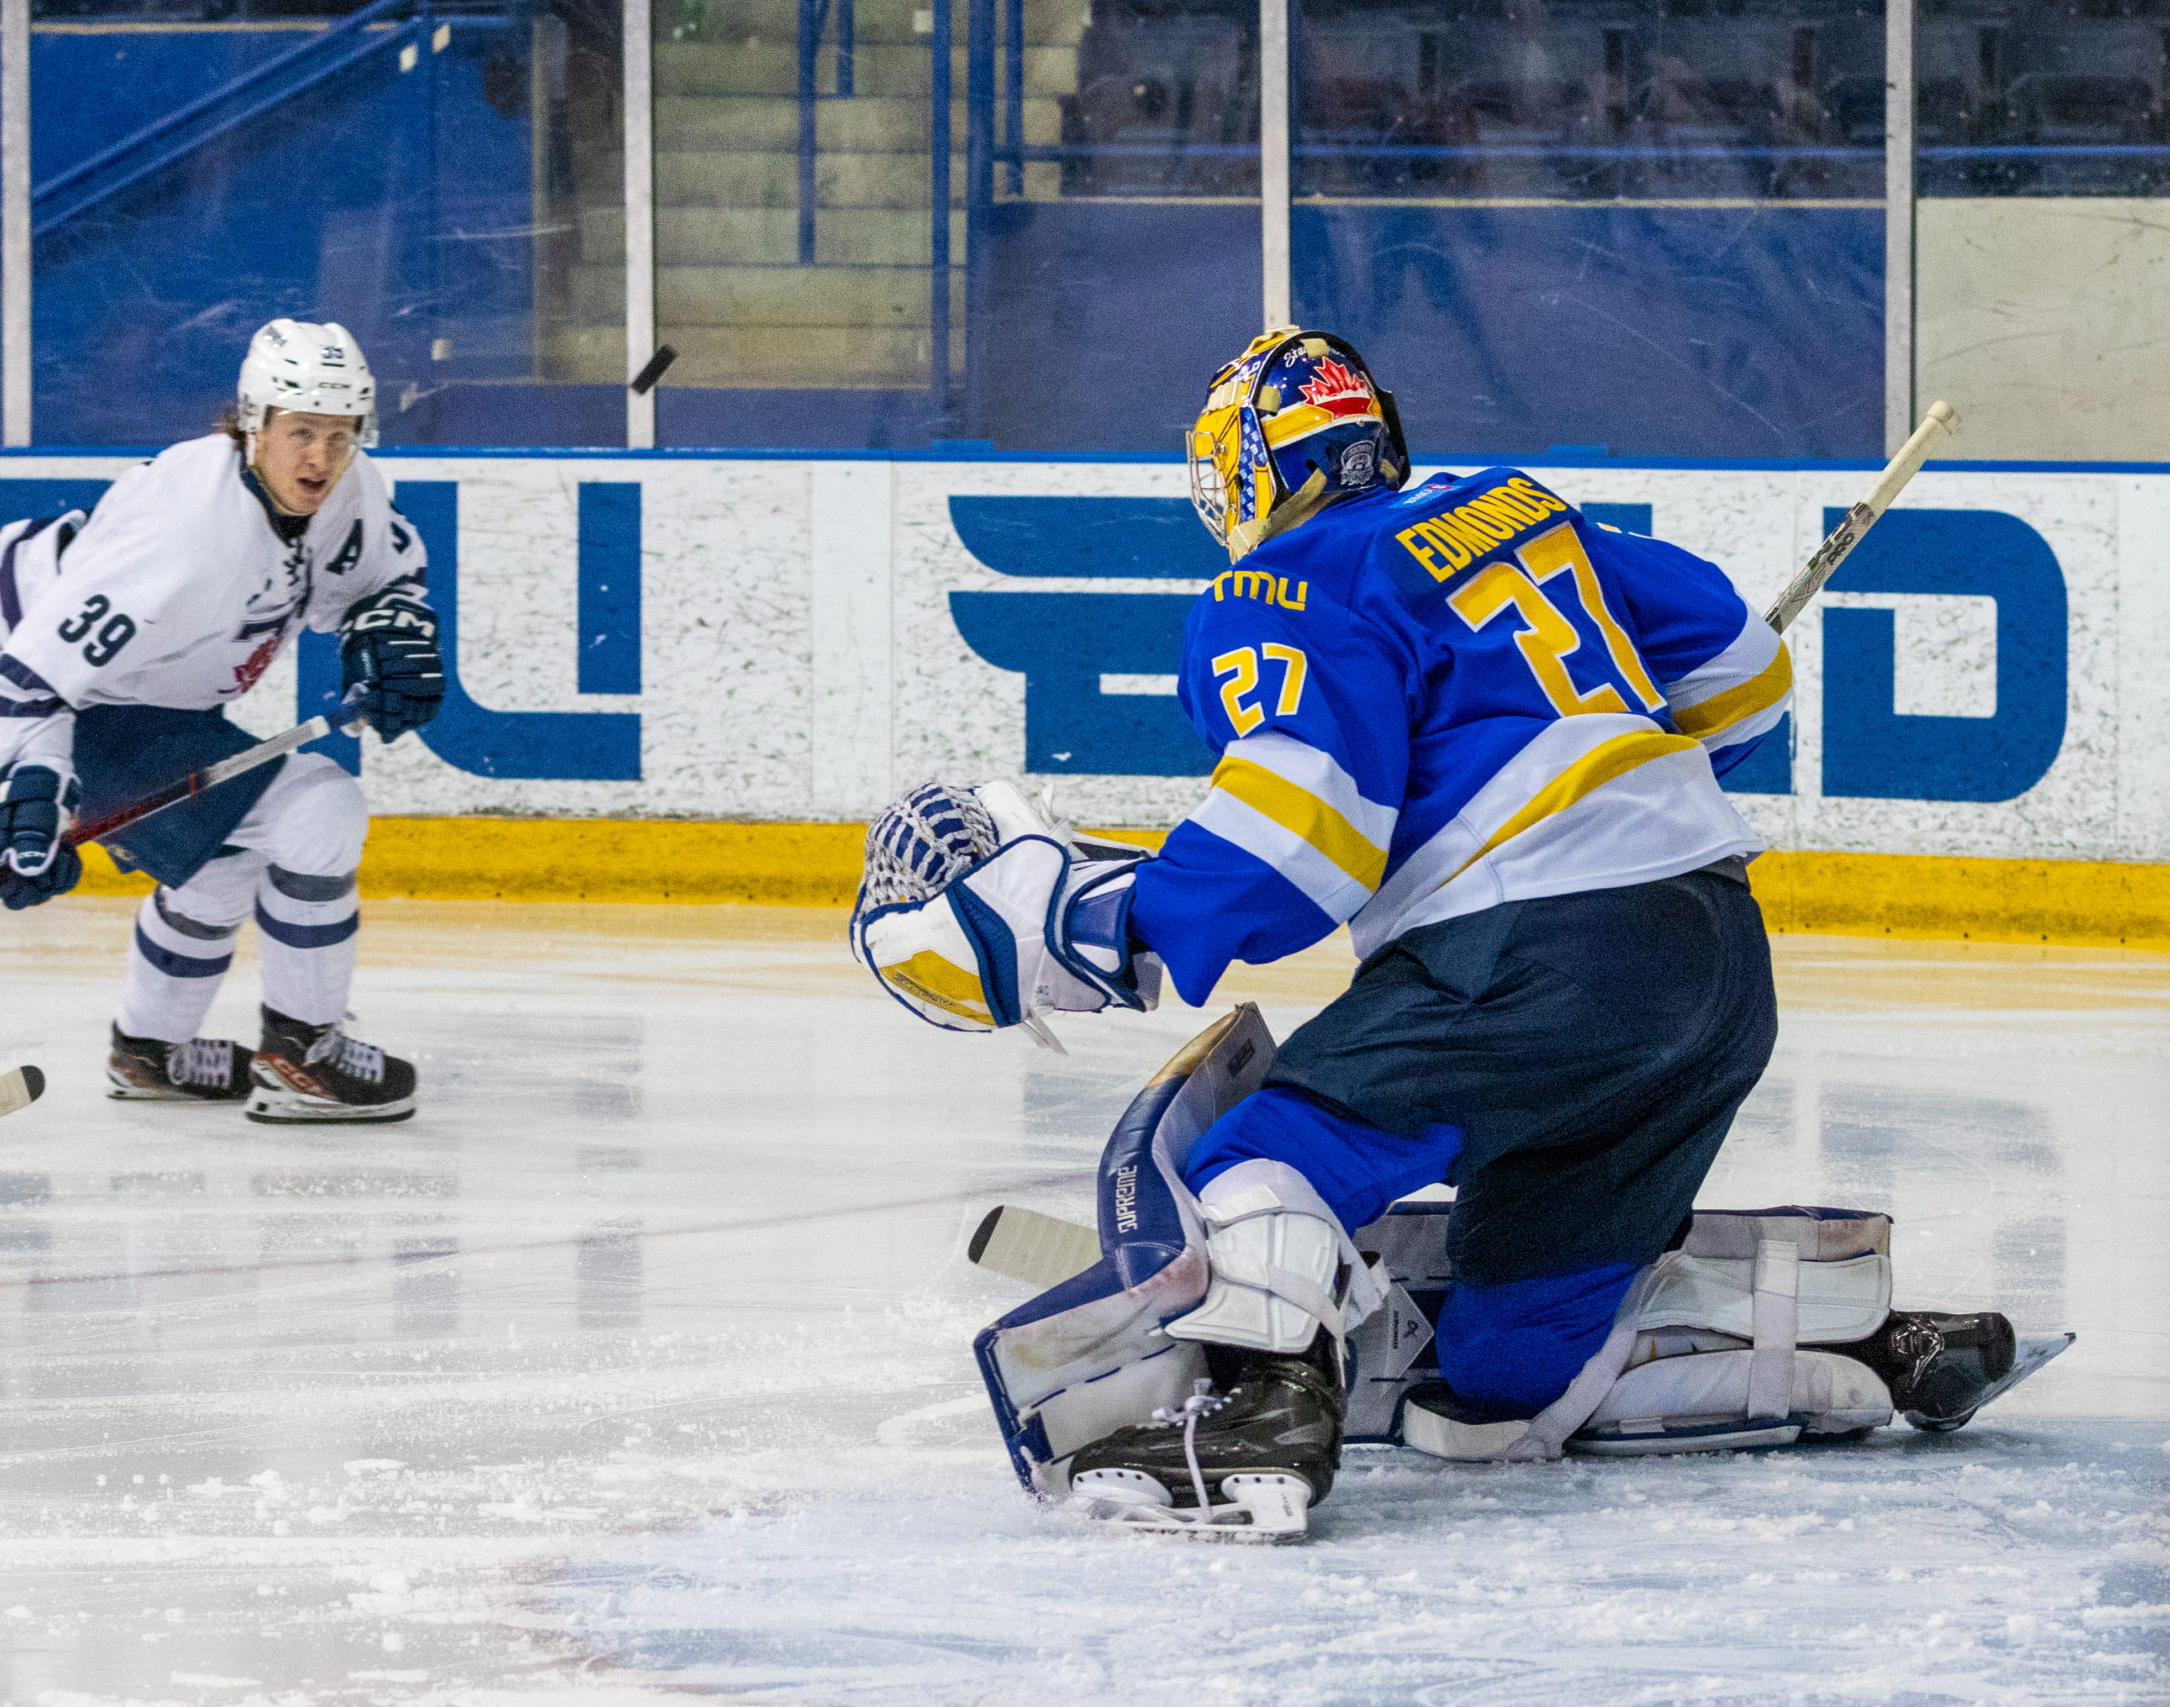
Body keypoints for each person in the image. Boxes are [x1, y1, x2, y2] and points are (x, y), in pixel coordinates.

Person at [856, 327, 2021, 1526]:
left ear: (1253, 469)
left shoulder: (1283, 583)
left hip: (1527, 955)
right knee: (1504, 1384)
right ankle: (1846, 1348)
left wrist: (1116, 929)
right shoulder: (1521, 510)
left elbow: (1301, 837)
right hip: (1711, 961)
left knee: (1253, 1168)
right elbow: (1741, 675)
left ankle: (1258, 1414)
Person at [0, 319, 446, 1123]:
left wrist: (387, 632)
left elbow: (381, 578)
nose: (319, 457)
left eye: (339, 433)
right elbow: (30, 681)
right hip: (84, 705)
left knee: (221, 860)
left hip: (163, 708)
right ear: (254, 424)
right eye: (299, 433)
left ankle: (149, 1053)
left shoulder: (346, 491)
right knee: (320, 807)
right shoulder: (183, 533)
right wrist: (31, 797)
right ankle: (303, 1054)